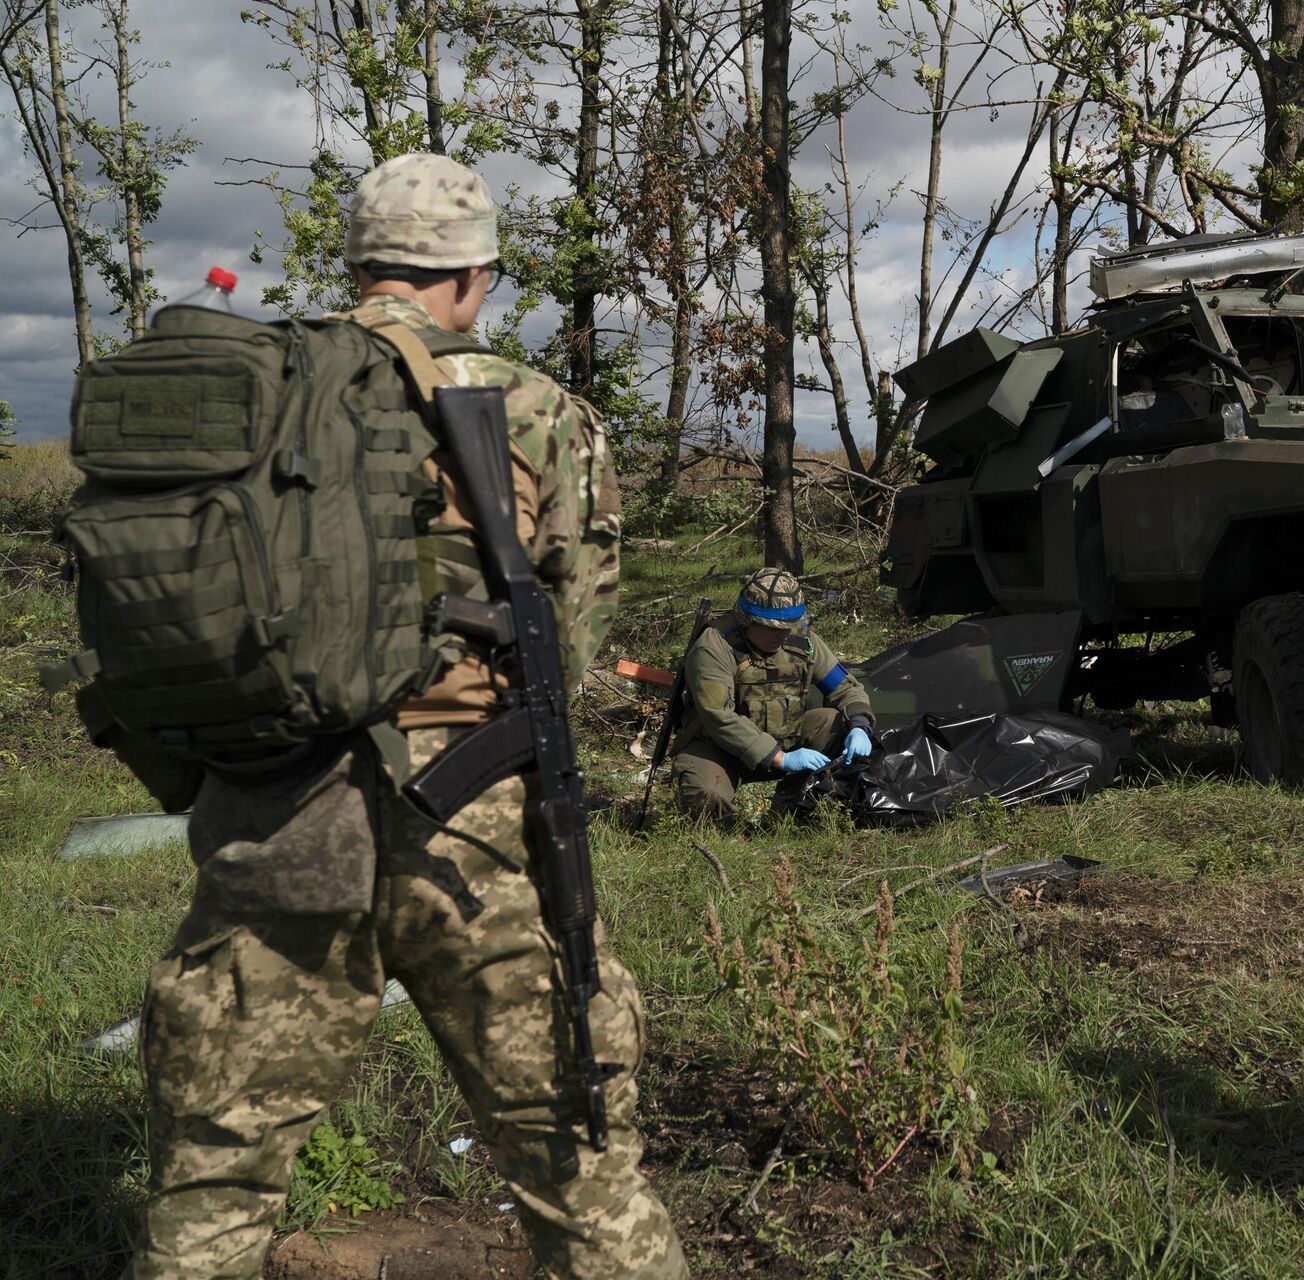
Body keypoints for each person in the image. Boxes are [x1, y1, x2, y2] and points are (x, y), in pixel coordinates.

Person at [128, 154, 687, 1280]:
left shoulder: (254, 390)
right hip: (471, 829)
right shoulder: (535, 409)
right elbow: (569, 640)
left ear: (359, 263)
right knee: (583, 1175)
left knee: (216, 1176)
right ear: (475, 278)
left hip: (275, 811)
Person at [670, 568, 875, 821]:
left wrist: (859, 725)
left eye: (789, 626)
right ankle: (730, 834)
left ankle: (791, 807)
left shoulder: (802, 640)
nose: (784, 634)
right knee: (704, 797)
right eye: (774, 628)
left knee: (833, 723)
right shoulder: (714, 647)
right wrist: (779, 758)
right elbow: (718, 716)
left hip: (787, 739)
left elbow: (844, 687)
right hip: (721, 750)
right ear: (748, 620)